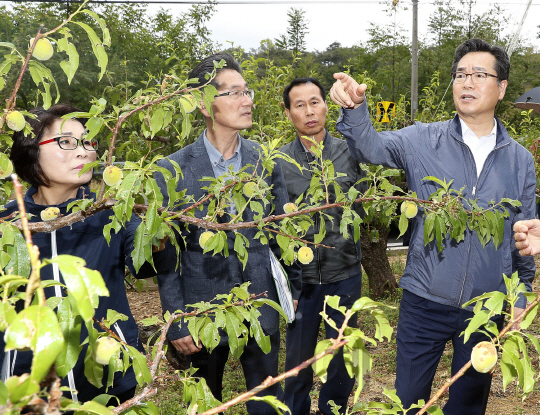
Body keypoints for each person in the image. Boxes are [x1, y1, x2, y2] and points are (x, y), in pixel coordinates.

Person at [329, 38, 535, 414]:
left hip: (485, 306)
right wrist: (356, 109)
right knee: (408, 401)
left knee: (467, 403)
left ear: (501, 88)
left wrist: (519, 295)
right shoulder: (422, 139)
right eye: (460, 75)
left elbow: (524, 232)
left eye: (478, 75)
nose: (467, 83)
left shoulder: (520, 159)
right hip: (424, 298)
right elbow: (369, 148)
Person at [154, 52, 301, 414]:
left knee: (266, 401)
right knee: (205, 404)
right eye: (234, 93)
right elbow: (166, 255)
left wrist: (292, 289)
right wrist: (175, 319)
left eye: (247, 91)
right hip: (202, 311)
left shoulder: (265, 162)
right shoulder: (171, 170)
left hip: (260, 304)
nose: (247, 100)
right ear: (205, 104)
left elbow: (284, 233)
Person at [0, 104, 172, 404]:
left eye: (88, 142)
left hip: (107, 379)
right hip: (26, 380)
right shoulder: (8, 224)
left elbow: (147, 263)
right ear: (31, 149)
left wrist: (155, 224)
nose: (84, 152)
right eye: (66, 141)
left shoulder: (112, 215)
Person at [278, 77, 365, 415]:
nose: (309, 111)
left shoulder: (349, 152)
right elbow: (276, 226)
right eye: (299, 105)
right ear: (288, 113)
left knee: (341, 362)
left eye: (314, 102)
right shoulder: (280, 162)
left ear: (326, 106)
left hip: (343, 273)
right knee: (298, 365)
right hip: (302, 281)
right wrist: (289, 280)